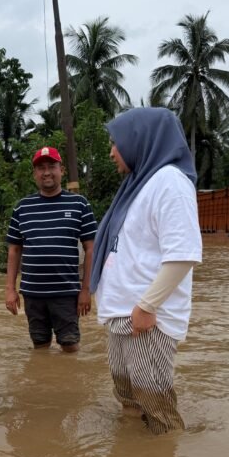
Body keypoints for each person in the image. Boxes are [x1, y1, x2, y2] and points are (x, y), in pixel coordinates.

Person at [90, 108, 202, 434]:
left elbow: (183, 256)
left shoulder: (170, 183)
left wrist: (147, 306)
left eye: (116, 142)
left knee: (158, 408)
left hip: (146, 319)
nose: (112, 151)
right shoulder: (139, 185)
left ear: (138, 141)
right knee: (128, 399)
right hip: (124, 315)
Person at [5, 147, 98, 352]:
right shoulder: (22, 208)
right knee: (40, 348)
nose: (46, 172)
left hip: (66, 293)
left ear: (61, 170)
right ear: (34, 174)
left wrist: (86, 290)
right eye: (41, 168)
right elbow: (14, 250)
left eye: (51, 166)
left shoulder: (79, 204)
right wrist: (10, 289)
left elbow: (91, 249)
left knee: (71, 347)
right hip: (32, 294)